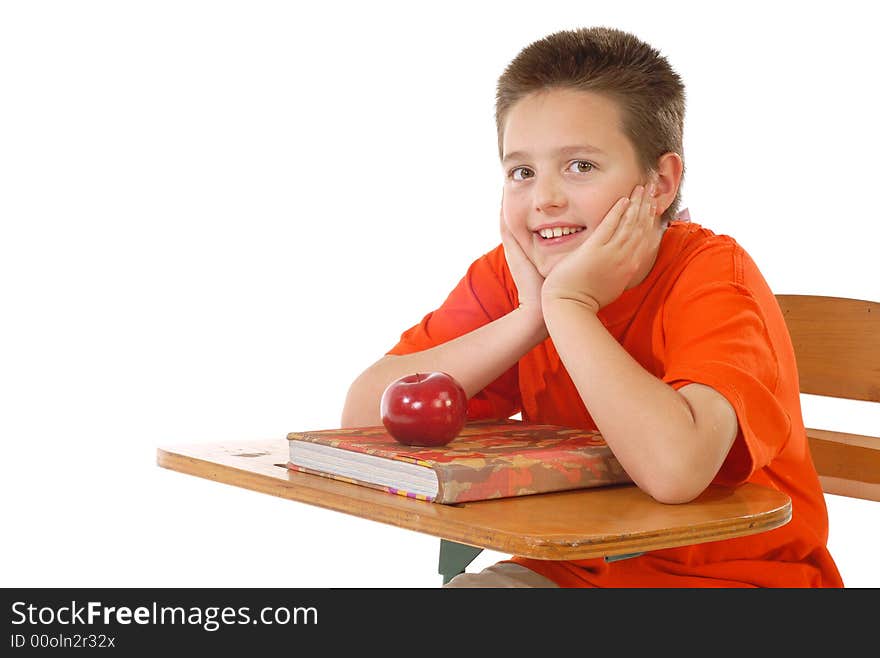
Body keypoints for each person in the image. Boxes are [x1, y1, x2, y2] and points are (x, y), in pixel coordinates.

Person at [340, 26, 843, 588]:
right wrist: (532, 318)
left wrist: (571, 308)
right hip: (570, 573)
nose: (544, 198)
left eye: (580, 166)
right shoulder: (517, 281)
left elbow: (675, 471)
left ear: (659, 183)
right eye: (521, 172)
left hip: (735, 582)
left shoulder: (711, 277)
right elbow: (363, 420)